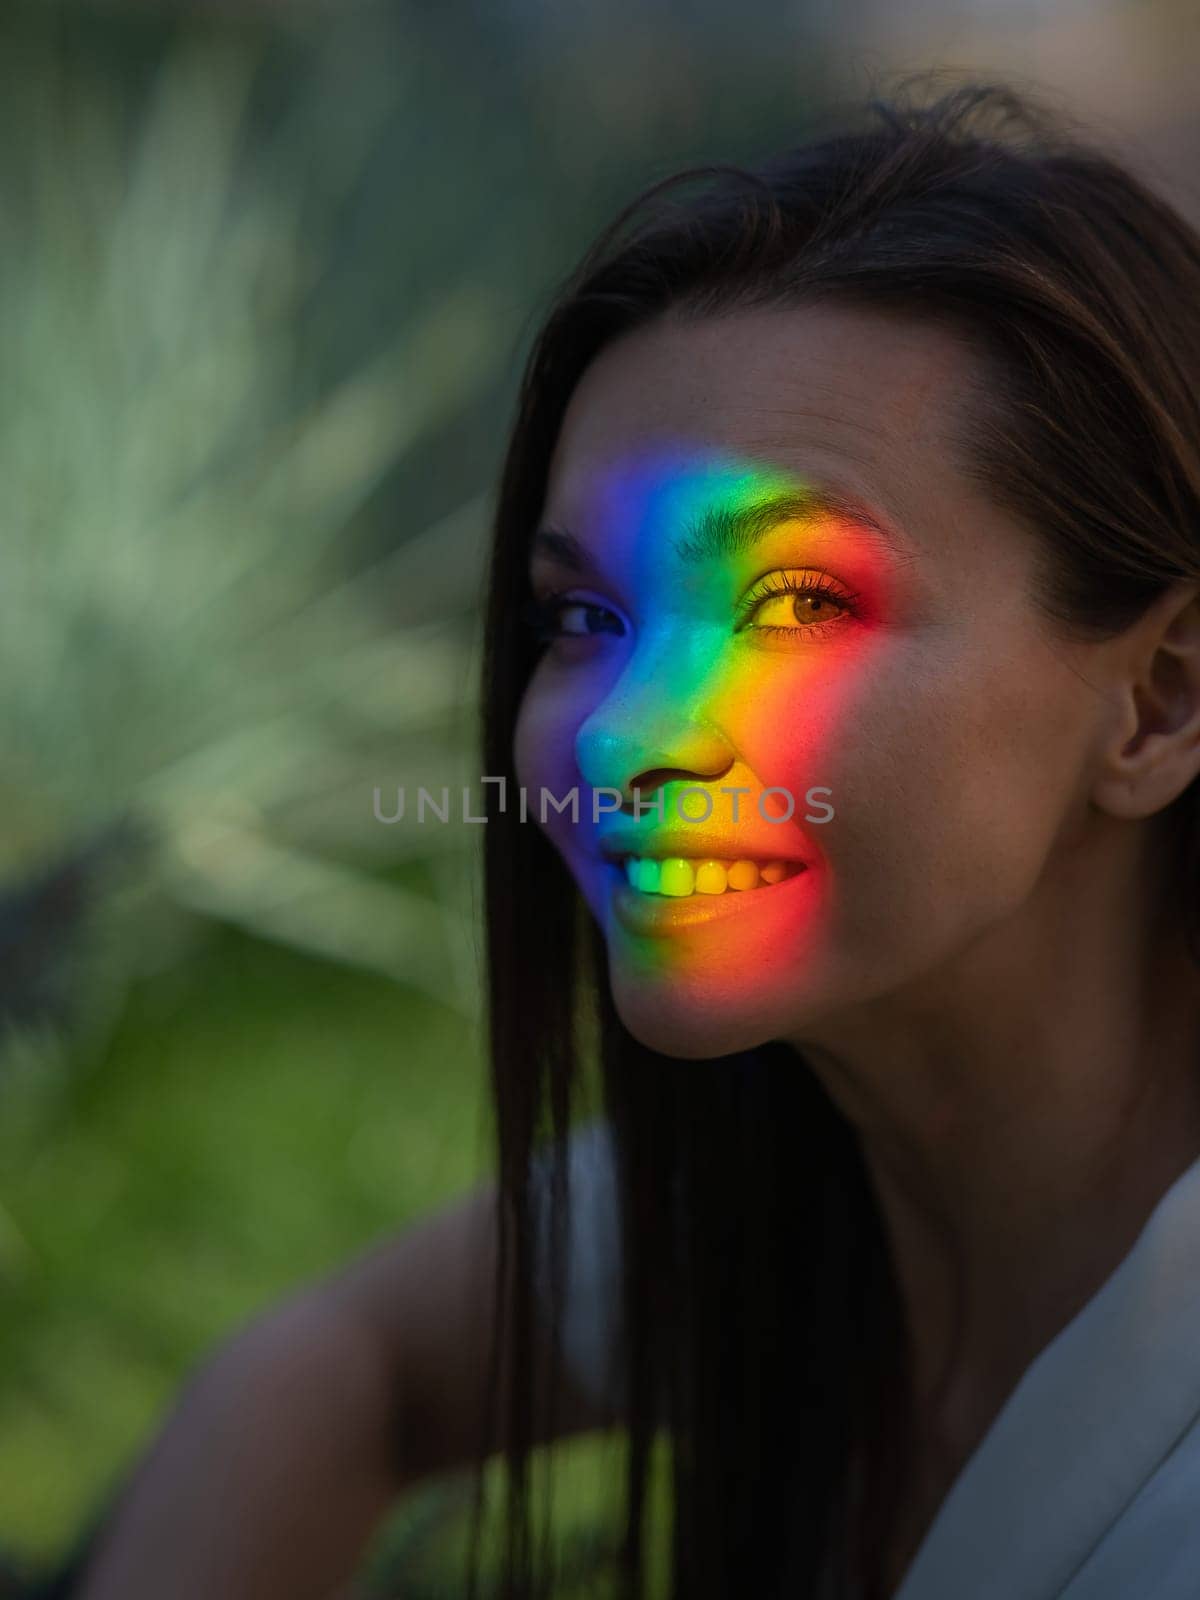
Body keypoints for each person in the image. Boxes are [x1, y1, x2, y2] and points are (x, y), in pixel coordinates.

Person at [57, 77, 1200, 1599]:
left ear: (1159, 703)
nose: (621, 736)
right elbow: (343, 1363)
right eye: (584, 616)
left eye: (797, 606)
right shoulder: (806, 1165)